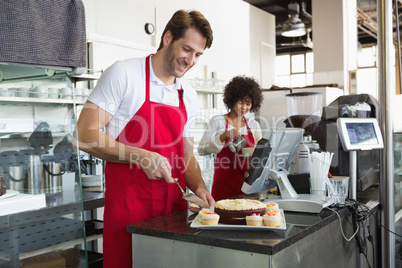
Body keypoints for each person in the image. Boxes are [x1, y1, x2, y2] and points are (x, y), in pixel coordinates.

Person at [76, 10, 214, 268]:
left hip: (173, 218)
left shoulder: (189, 94)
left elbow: (186, 156)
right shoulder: (124, 74)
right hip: (129, 215)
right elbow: (84, 135)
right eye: (187, 49)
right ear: (167, 37)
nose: (191, 60)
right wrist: (138, 155)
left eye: (198, 55)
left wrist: (201, 189)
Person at [198, 75, 263, 201]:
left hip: (248, 184)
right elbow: (201, 149)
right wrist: (223, 136)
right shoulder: (218, 121)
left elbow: (261, 155)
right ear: (232, 100)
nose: (244, 107)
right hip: (223, 184)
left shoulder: (254, 125)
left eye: (248, 103)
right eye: (240, 102)